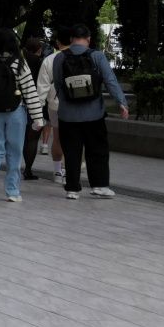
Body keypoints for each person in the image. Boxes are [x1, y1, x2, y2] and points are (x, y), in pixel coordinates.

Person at [51, 24, 129, 199]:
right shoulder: (97, 56)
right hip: (94, 114)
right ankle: (99, 186)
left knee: (71, 151)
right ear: (88, 39)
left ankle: (72, 189)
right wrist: (121, 103)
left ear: (71, 39)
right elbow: (110, 81)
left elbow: (58, 84)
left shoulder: (59, 58)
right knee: (97, 149)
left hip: (68, 115)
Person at [0, 28, 45, 203]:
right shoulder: (19, 62)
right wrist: (38, 117)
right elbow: (29, 90)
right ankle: (12, 191)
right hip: (15, 112)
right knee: (14, 151)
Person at [35, 29, 71, 184]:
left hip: (55, 104)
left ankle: (57, 172)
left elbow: (42, 87)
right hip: (77, 105)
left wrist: (37, 111)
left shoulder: (49, 60)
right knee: (74, 139)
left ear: (57, 42)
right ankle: (70, 172)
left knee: (57, 137)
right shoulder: (81, 57)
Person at [19, 34, 47, 180]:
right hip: (36, 103)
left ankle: (14, 166)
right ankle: (28, 169)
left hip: (18, 102)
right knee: (32, 139)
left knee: (19, 137)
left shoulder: (20, 61)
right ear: (39, 49)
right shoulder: (41, 63)